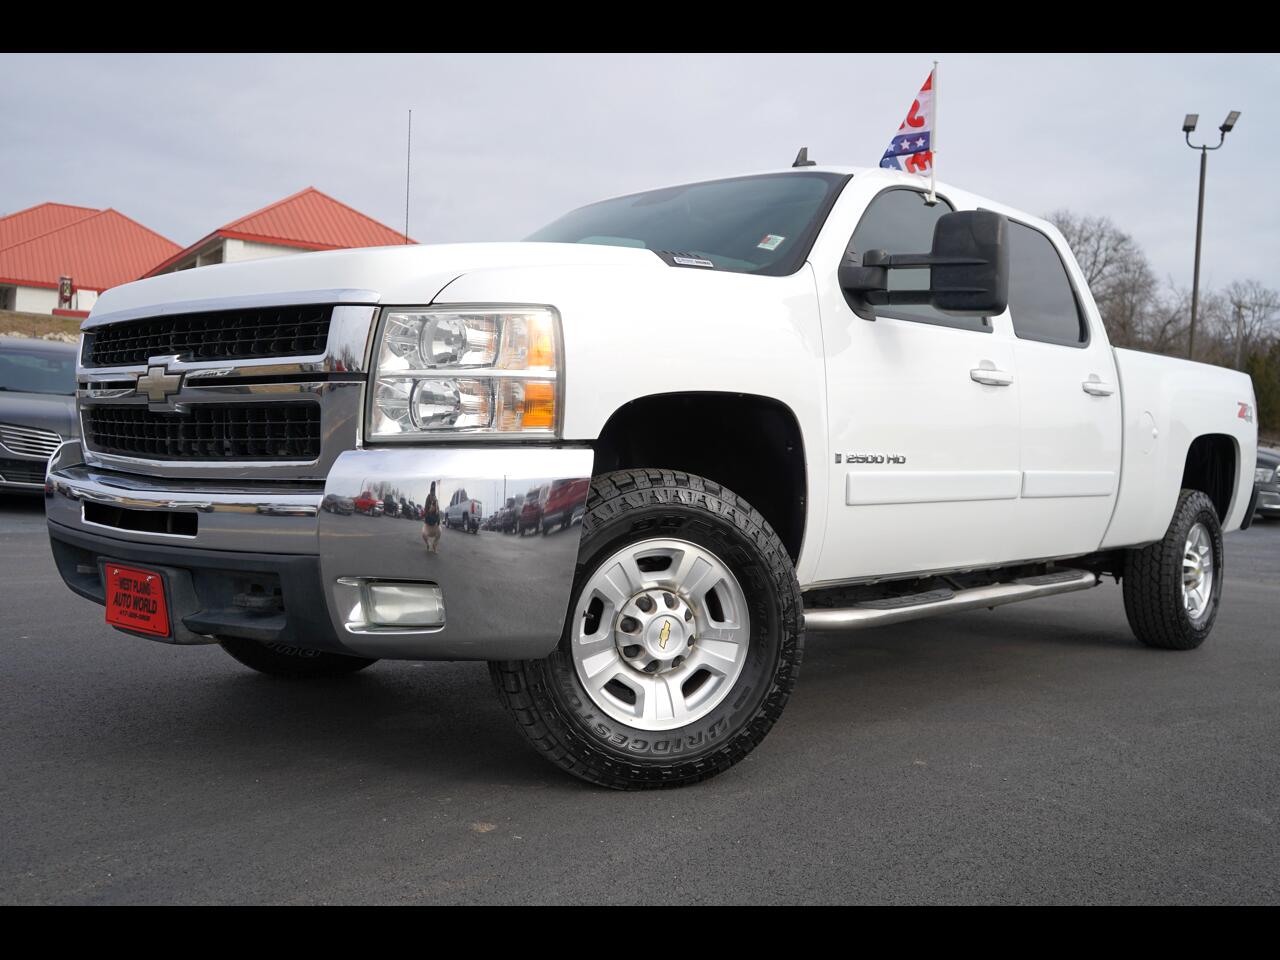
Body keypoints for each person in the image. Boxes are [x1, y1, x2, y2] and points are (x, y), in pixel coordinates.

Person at [422, 481, 442, 553]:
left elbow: (439, 518)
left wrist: (436, 513)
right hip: (427, 525)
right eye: (431, 495)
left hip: (434, 525)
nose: (432, 497)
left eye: (433, 496)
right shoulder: (427, 501)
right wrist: (429, 511)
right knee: (423, 534)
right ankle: (428, 544)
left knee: (440, 531)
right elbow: (425, 515)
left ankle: (434, 545)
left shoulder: (436, 502)